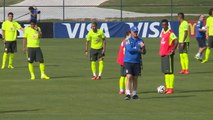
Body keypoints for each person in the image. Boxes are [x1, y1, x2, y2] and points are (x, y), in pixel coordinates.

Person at [124, 26, 146, 100]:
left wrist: (143, 47)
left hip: (137, 61)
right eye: (134, 32)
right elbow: (129, 49)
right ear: (131, 32)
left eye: (136, 31)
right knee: (129, 76)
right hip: (128, 61)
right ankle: (127, 93)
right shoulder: (128, 40)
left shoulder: (140, 41)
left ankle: (134, 94)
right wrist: (138, 49)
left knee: (135, 78)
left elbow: (144, 52)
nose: (135, 33)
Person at [160, 19, 178, 94]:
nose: (164, 26)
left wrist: (173, 50)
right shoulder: (163, 32)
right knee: (166, 72)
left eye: (165, 24)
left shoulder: (170, 32)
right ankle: (167, 87)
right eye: (163, 25)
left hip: (168, 55)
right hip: (163, 54)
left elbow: (176, 40)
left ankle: (171, 88)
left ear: (167, 25)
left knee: (170, 72)